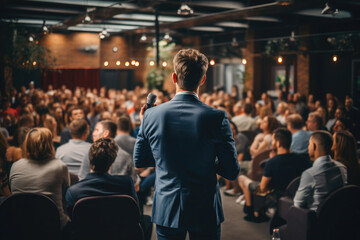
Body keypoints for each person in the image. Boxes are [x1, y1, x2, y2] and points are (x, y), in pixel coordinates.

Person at [134, 49, 240, 240]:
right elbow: (231, 171)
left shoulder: (151, 115)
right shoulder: (217, 117)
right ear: (202, 79)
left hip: (167, 206)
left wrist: (145, 125)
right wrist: (206, 162)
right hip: (205, 206)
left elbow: (140, 160)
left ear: (174, 77)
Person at [238, 128, 311, 222]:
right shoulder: (303, 160)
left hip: (274, 195)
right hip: (294, 193)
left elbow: (262, 188)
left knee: (242, 178)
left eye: (273, 140)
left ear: (278, 143)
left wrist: (271, 161)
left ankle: (251, 211)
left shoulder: (272, 162)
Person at [9, 128, 70, 228]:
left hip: (21, 226)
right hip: (53, 226)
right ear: (49, 145)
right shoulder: (60, 166)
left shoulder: (15, 166)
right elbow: (64, 199)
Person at [65, 138, 138, 215]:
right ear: (111, 162)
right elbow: (135, 214)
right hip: (119, 226)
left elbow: (73, 221)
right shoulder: (126, 184)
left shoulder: (73, 191)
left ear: (89, 159)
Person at [294, 131, 347, 211]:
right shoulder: (342, 167)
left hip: (314, 220)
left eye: (309, 144)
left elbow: (297, 204)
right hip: (339, 216)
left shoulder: (310, 174)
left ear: (314, 146)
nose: (308, 147)